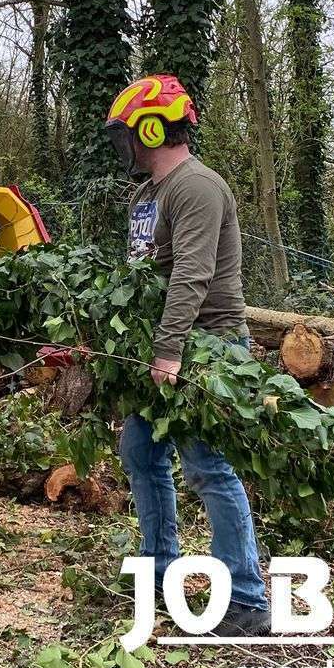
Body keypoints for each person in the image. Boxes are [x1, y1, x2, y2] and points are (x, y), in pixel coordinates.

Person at [104, 74, 270, 637]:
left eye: (128, 134)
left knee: (207, 465)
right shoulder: (146, 195)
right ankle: (158, 572)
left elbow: (192, 275)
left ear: (152, 129)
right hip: (163, 344)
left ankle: (246, 597)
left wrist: (169, 352)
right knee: (140, 450)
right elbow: (142, 275)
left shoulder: (197, 188)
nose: (123, 146)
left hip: (209, 347)